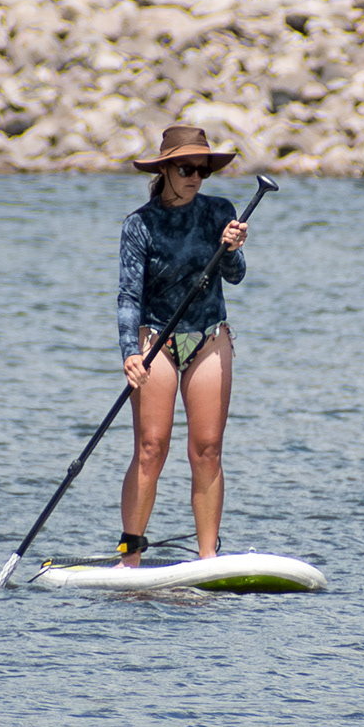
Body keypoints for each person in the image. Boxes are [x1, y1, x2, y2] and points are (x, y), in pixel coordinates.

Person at [116, 123, 251, 561]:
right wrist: (129, 354)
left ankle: (207, 559)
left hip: (210, 336)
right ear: (166, 170)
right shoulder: (140, 225)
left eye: (203, 169)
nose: (195, 176)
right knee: (151, 448)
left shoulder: (218, 213)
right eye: (186, 168)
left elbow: (237, 275)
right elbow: (128, 296)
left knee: (207, 449)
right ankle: (130, 555)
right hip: (156, 340)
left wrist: (230, 249)